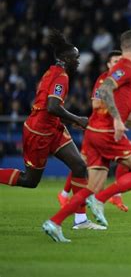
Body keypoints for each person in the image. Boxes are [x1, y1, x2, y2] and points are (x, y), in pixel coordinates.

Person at [42, 30, 131, 242]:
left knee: (91, 186)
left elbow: (114, 102)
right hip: (106, 132)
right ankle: (102, 199)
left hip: (95, 132)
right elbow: (105, 91)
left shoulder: (124, 69)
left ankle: (55, 222)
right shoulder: (126, 68)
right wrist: (116, 120)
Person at [0, 29, 104, 230]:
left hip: (53, 127)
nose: (78, 62)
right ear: (65, 58)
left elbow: (52, 108)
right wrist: (79, 119)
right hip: (39, 131)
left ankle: (80, 220)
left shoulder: (52, 71)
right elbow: (52, 106)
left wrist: (68, 120)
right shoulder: (61, 77)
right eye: (76, 58)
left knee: (79, 166)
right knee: (30, 180)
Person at [57, 50, 131, 212]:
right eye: (114, 61)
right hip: (99, 128)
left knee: (121, 159)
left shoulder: (122, 81)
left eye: (120, 61)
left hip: (111, 127)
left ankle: (111, 196)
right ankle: (66, 194)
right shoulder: (103, 80)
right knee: (85, 163)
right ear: (108, 64)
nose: (118, 64)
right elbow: (96, 105)